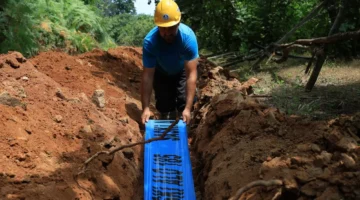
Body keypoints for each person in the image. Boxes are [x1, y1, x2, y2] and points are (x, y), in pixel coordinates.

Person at [140, 0, 199, 125]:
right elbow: (148, 76)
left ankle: (186, 129)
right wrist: (145, 108)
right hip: (161, 72)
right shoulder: (150, 42)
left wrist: (188, 109)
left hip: (182, 70)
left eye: (171, 28)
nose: (167, 33)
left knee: (185, 101)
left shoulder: (188, 38)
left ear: (178, 23)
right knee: (164, 105)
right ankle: (168, 125)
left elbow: (191, 75)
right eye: (163, 29)